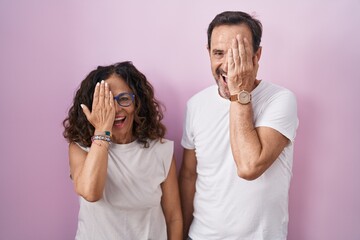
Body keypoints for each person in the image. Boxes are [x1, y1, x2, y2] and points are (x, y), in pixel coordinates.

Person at [179, 11, 299, 240]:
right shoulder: (195, 104)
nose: (228, 64)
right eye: (219, 53)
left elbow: (248, 166)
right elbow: (188, 175)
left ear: (257, 55)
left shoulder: (281, 100)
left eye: (237, 54)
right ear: (209, 53)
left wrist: (239, 93)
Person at [63, 61, 183, 240]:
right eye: (106, 103)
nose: (116, 109)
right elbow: (90, 192)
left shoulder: (161, 150)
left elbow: (173, 217)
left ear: (138, 103)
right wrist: (102, 130)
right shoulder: (81, 148)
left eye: (124, 99)